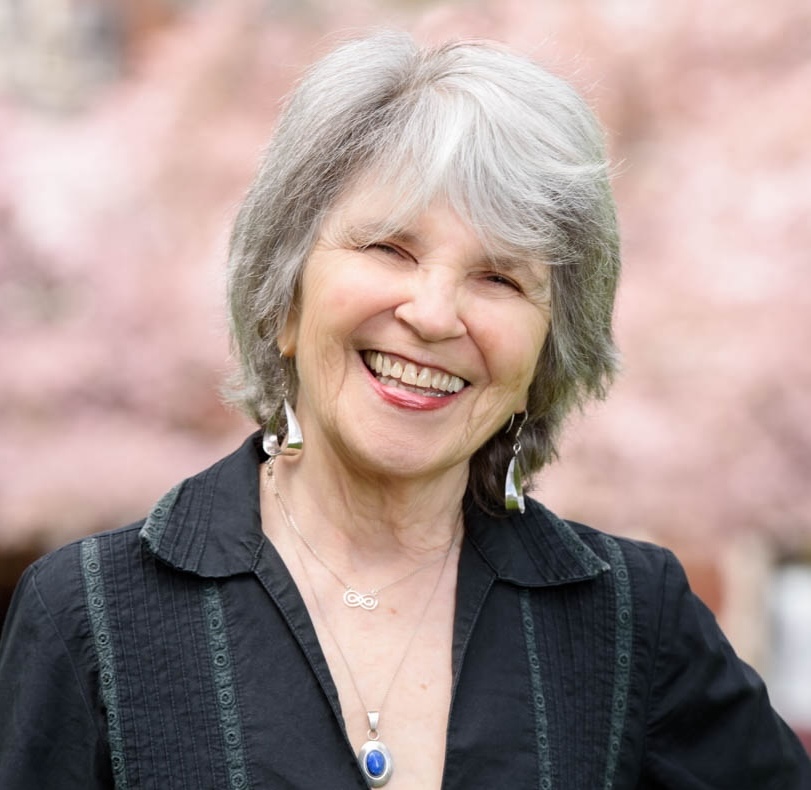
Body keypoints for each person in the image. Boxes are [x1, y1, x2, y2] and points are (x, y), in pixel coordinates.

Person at [0, 30, 808, 790]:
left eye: (499, 278)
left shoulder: (632, 620)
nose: (432, 314)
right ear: (284, 300)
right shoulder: (90, 617)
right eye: (389, 247)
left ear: (541, 360)